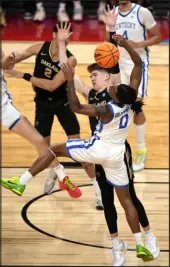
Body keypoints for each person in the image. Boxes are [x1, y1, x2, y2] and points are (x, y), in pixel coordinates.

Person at [1, 35, 155, 264]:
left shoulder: (107, 108)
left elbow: (75, 106)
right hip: (117, 157)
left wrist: (70, 80)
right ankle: (140, 243)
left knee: (53, 148)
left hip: (99, 148)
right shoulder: (130, 100)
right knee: (127, 201)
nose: (114, 86)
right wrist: (124, 46)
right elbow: (138, 66)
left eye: (114, 88)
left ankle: (22, 181)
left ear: (115, 94)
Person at [4, 22, 104, 210]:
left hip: (64, 105)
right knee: (44, 148)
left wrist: (22, 75)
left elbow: (51, 85)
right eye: (62, 33)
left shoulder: (71, 60)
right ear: (54, 35)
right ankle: (56, 173)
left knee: (80, 150)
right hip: (42, 106)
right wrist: (12, 57)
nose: (67, 37)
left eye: (69, 34)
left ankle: (98, 191)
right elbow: (11, 63)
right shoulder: (39, 47)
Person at [1, 50, 81, 199]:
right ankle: (62, 177)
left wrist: (10, 58)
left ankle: (61, 178)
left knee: (40, 141)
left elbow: (4, 65)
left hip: (3, 107)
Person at [105, 0, 161, 172]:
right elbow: (108, 43)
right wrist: (109, 27)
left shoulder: (142, 12)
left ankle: (141, 149)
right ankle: (117, 148)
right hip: (118, 64)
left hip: (138, 63)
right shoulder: (112, 12)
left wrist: (138, 44)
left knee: (135, 105)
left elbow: (158, 36)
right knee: (117, 104)